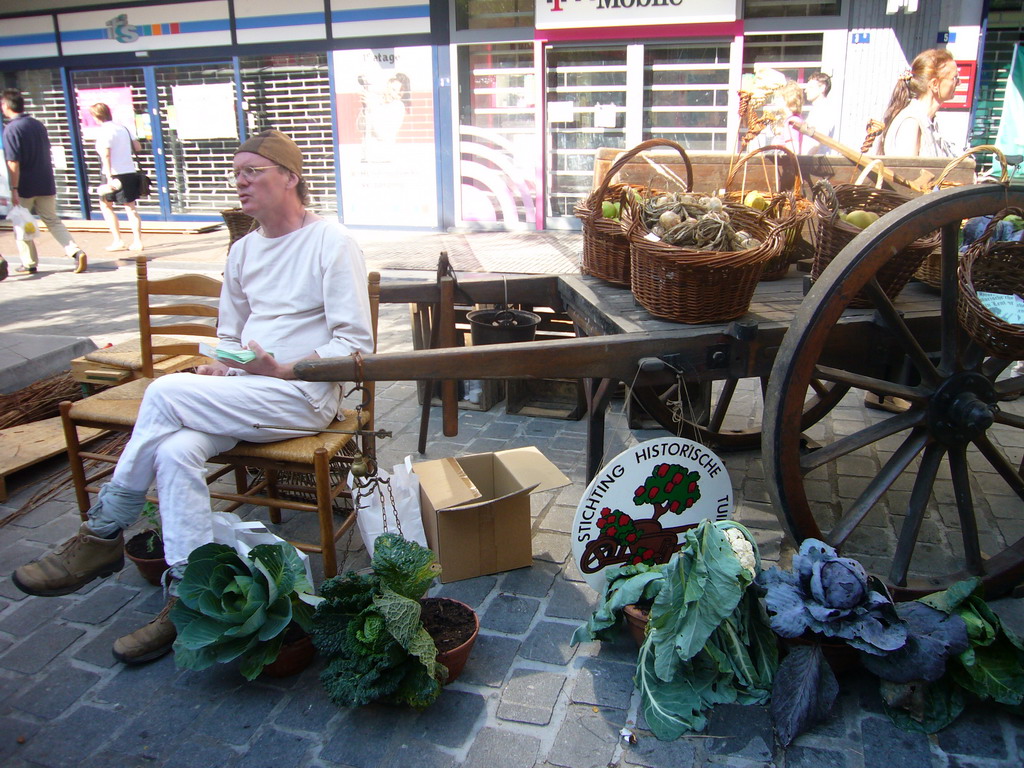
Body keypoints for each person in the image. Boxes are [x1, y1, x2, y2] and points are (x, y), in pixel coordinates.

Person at [11, 129, 375, 665]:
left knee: (164, 390)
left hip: (302, 395)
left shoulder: (332, 243)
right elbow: (230, 338)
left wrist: (284, 367)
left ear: (290, 177)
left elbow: (355, 344)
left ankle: (105, 528)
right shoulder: (245, 250)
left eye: (253, 170)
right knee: (175, 451)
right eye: (237, 172)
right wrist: (222, 364)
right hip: (243, 390)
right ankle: (186, 597)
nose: (240, 181)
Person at [1, 88, 88, 274]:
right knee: (52, 220)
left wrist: (14, 188)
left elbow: (13, 162)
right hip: (46, 180)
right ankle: (75, 251)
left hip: (25, 184)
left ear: (6, 106)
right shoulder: (37, 124)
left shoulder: (11, 129)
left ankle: (29, 262)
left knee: (21, 223)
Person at [876, 48, 958, 158]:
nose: (959, 83)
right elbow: (908, 172)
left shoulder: (928, 121)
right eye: (955, 78)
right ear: (934, 84)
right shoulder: (910, 122)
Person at [89, 102, 144, 252]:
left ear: (96, 116)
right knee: (131, 208)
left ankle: (118, 240)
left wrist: (108, 177)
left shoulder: (104, 132)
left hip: (112, 173)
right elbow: (138, 147)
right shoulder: (123, 128)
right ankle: (138, 241)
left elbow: (106, 155)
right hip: (129, 170)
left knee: (106, 206)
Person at [750, 80, 805, 154]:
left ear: (788, 100)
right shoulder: (794, 119)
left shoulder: (792, 122)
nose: (775, 101)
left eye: (778, 97)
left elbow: (793, 152)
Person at [800, 72, 836, 155]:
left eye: (811, 87)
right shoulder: (817, 109)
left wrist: (805, 162)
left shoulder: (824, 110)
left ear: (822, 88)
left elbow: (818, 140)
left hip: (816, 163)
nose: (805, 90)